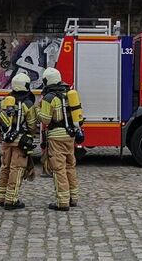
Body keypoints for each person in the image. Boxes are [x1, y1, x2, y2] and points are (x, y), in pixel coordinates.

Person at [37, 67, 83, 211]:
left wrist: (37, 110)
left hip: (56, 137)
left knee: (58, 168)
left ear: (46, 81)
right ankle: (73, 198)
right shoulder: (68, 94)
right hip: (70, 136)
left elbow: (45, 119)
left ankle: (62, 201)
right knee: (70, 166)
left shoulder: (49, 98)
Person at [0, 73, 36, 210]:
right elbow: (32, 125)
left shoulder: (7, 100)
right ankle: (11, 200)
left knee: (5, 167)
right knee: (16, 170)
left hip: (6, 141)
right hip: (19, 142)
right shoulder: (28, 104)